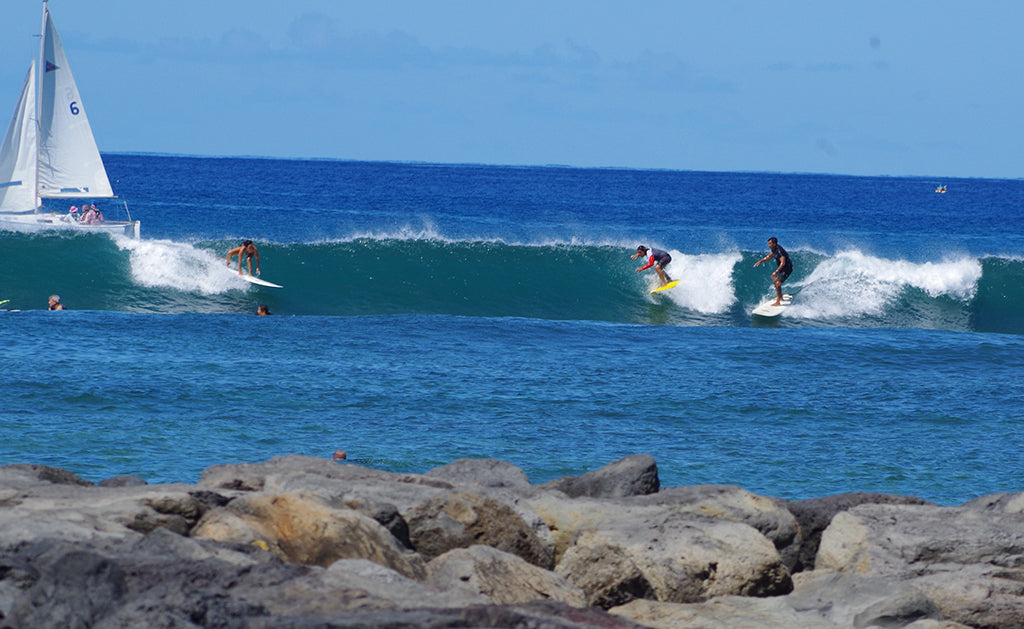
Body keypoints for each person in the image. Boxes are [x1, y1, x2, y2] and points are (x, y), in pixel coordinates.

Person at [754, 237, 793, 306]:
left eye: (770, 243)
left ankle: (778, 302)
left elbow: (783, 262)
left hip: (787, 269)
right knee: (775, 282)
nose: (769, 245)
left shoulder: (779, 251)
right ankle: (780, 297)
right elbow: (769, 256)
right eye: (768, 244)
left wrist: (776, 271)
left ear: (774, 244)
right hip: (781, 269)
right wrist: (761, 261)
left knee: (777, 284)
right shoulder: (773, 249)